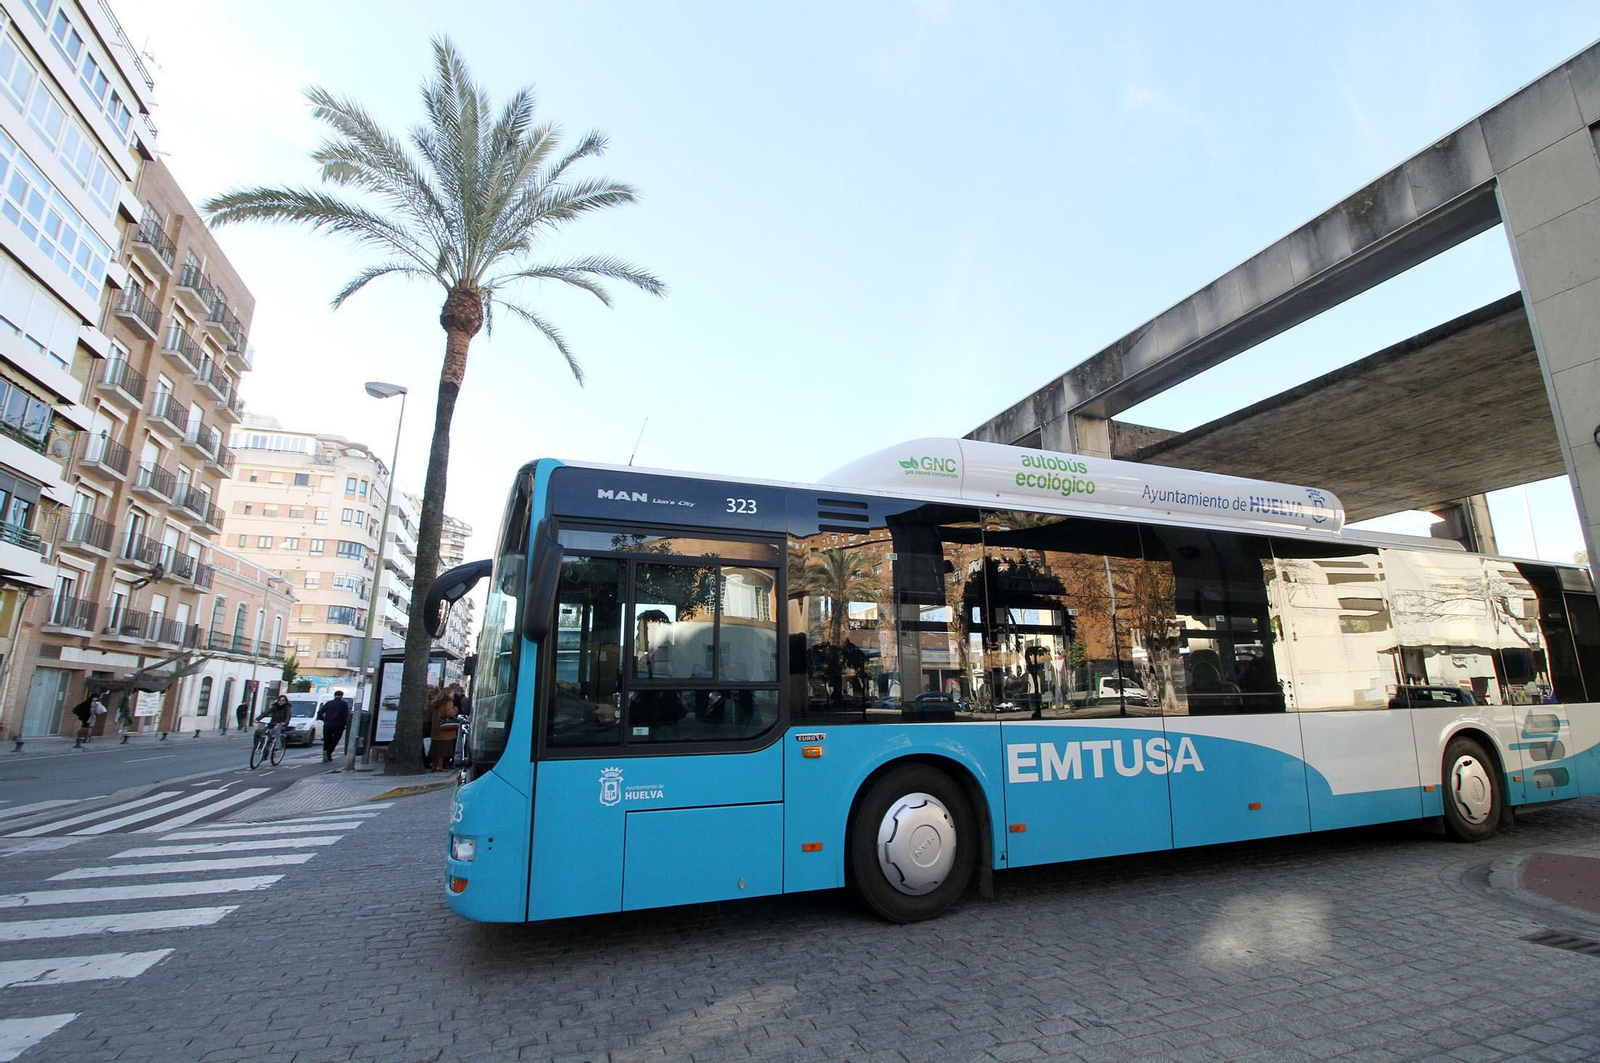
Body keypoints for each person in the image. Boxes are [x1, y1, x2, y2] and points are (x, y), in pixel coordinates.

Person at [427, 685, 460, 771]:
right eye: (452, 693)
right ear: (448, 694)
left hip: (436, 729)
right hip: (445, 730)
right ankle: (440, 766)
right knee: (443, 749)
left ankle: (434, 765)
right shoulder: (449, 702)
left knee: (435, 748)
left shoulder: (435, 703)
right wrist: (455, 710)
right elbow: (450, 713)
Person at [317, 690, 351, 763]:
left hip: (327, 724)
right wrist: (345, 724)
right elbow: (345, 715)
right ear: (342, 696)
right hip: (339, 725)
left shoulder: (329, 703)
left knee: (326, 740)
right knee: (335, 740)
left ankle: (325, 751)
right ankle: (329, 753)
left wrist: (323, 719)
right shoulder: (344, 704)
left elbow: (320, 712)